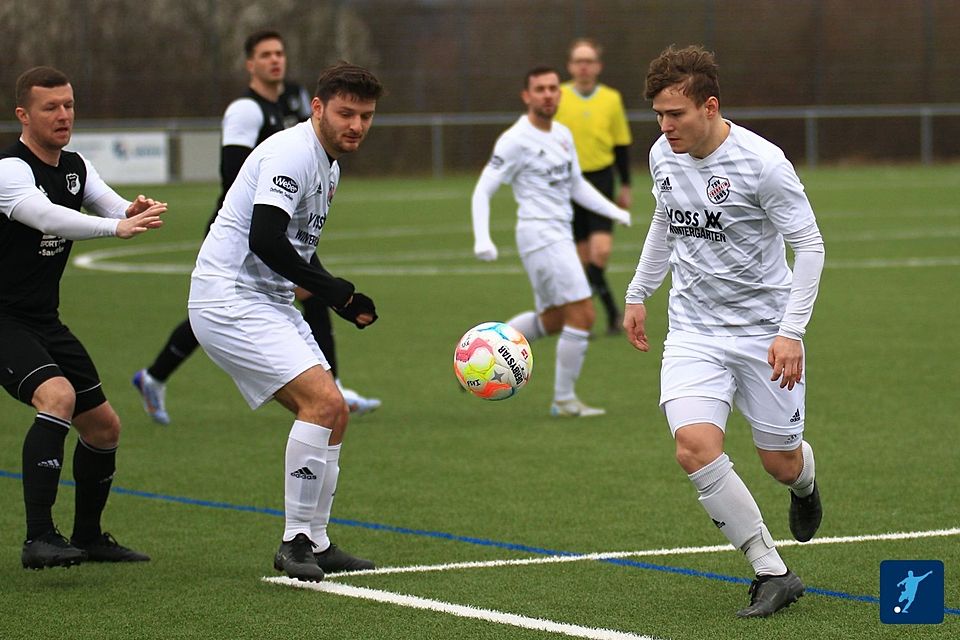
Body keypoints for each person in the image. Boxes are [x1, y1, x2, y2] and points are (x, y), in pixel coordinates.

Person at [623, 45, 825, 618]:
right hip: (693, 333)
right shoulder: (663, 154)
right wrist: (640, 293)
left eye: (676, 114)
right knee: (694, 448)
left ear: (710, 107)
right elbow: (664, 222)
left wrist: (791, 331)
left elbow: (809, 247)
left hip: (765, 334)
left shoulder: (764, 164)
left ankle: (805, 484)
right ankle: (772, 570)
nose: (665, 127)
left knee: (778, 463)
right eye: (658, 115)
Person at [188, 62, 383, 582]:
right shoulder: (291, 153)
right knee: (320, 404)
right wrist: (333, 289)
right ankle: (293, 541)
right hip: (228, 298)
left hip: (268, 300)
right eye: (346, 113)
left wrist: (341, 299)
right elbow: (266, 239)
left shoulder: (330, 166)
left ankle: (317, 540)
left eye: (365, 116)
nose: (356, 126)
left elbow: (297, 251)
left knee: (335, 411)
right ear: (317, 108)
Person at [133, 29, 380, 425]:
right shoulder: (248, 112)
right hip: (247, 226)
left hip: (277, 225)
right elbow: (234, 174)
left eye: (280, 52)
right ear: (250, 63)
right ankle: (327, 384)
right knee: (288, 299)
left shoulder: (297, 109)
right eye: (265, 54)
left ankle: (328, 384)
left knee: (310, 295)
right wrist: (334, 289)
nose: (275, 60)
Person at [0, 66, 165, 569]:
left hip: (43, 319)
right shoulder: (10, 169)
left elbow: (112, 205)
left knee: (104, 428)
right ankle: (38, 539)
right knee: (58, 397)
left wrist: (133, 210)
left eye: (69, 104)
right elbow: (47, 216)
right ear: (23, 115)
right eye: (51, 107)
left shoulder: (75, 166)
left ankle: (88, 536)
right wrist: (116, 227)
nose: (64, 115)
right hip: (2, 319)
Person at [471, 66, 631, 418]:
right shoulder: (515, 140)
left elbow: (576, 185)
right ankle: (563, 400)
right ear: (527, 96)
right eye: (539, 89)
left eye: (553, 88)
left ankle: (480, 351)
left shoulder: (562, 133)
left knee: (555, 319)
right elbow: (484, 188)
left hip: (557, 233)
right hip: (540, 235)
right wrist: (482, 238)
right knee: (584, 314)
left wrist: (613, 211)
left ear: (560, 94)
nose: (547, 94)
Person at [554, 38, 632, 336]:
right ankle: (610, 314)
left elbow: (621, 144)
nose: (583, 66)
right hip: (566, 185)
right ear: (570, 66)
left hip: (601, 181)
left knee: (600, 253)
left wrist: (625, 184)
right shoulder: (558, 95)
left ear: (597, 66)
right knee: (581, 260)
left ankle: (598, 312)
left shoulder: (611, 98)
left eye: (589, 61)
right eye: (578, 61)